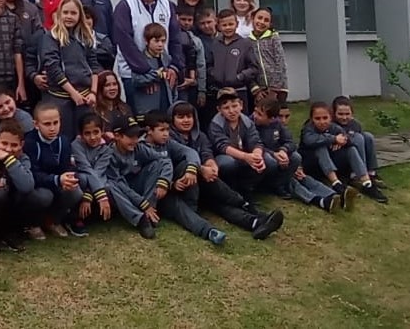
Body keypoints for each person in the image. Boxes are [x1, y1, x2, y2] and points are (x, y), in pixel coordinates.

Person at [168, 102, 285, 240]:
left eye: (189, 116)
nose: (186, 120)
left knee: (221, 204)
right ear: (172, 119)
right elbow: (174, 163)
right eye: (180, 117)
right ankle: (245, 205)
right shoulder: (168, 138)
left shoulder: (200, 136)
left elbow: (206, 153)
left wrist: (212, 166)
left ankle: (254, 222)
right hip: (182, 184)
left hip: (204, 185)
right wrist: (201, 169)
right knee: (190, 168)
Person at [143, 110, 227, 246]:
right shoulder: (140, 148)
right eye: (162, 130)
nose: (166, 134)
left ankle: (239, 205)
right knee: (178, 207)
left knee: (188, 166)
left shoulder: (168, 143)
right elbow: (145, 178)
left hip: (168, 188)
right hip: (152, 194)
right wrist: (171, 185)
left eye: (167, 130)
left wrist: (191, 169)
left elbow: (190, 152)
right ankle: (209, 231)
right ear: (149, 130)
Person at [253, 98, 350, 212]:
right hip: (266, 167)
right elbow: (253, 146)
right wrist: (274, 155)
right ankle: (319, 201)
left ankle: (334, 195)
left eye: (287, 116)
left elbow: (290, 143)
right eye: (280, 116)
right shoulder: (251, 125)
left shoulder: (277, 124)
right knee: (291, 181)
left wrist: (284, 151)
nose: (283, 120)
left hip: (282, 164)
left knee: (300, 171)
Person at [0, 119, 50, 252]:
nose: (8, 149)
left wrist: (9, 160)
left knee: (35, 196)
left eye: (14, 145)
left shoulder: (22, 159)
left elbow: (27, 186)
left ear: (21, 145)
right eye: (4, 143)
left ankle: (12, 232)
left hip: (11, 207)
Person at [112, 0, 185, 107]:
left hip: (164, 74)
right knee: (142, 118)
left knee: (164, 118)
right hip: (135, 76)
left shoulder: (167, 4)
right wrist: (147, 73)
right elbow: (125, 44)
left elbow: (176, 39)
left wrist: (174, 67)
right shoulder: (125, 6)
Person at [299, 102, 387, 203]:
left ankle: (367, 183)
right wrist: (333, 139)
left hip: (331, 162)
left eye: (325, 118)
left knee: (351, 150)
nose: (322, 122)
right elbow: (310, 140)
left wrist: (343, 142)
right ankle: (336, 183)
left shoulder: (334, 127)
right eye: (317, 118)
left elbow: (346, 138)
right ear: (311, 119)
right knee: (321, 147)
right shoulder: (308, 128)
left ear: (331, 118)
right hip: (312, 164)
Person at [39, 0, 101, 139]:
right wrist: (73, 93)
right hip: (61, 97)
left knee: (85, 137)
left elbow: (94, 65)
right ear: (59, 13)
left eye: (73, 13)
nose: (69, 16)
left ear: (79, 15)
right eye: (65, 12)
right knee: (65, 137)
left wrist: (93, 92)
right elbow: (53, 68)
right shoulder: (51, 37)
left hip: (85, 97)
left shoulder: (86, 37)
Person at [104, 114, 172, 240]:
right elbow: (120, 184)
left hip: (135, 186)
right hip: (121, 193)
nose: (135, 140)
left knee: (156, 164)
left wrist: (164, 181)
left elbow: (164, 160)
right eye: (131, 137)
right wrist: (142, 203)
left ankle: (150, 212)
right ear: (117, 136)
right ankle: (140, 219)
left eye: (137, 136)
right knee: (110, 185)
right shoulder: (109, 154)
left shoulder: (139, 147)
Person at [24, 102, 84, 237]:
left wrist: (69, 177)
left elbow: (66, 166)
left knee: (75, 191)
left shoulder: (64, 141)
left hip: (57, 181)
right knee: (44, 196)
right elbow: (32, 174)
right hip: (36, 185)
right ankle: (32, 224)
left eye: (55, 123)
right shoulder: (29, 142)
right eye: (47, 124)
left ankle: (53, 221)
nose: (52, 128)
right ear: (36, 124)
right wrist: (57, 179)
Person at [207, 87, 276, 194]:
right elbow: (222, 146)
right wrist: (246, 157)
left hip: (245, 155)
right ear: (219, 110)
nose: (231, 111)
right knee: (228, 163)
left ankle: (249, 187)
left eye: (235, 106)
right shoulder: (216, 124)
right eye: (226, 108)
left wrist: (256, 156)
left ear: (241, 105)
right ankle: (230, 189)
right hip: (223, 157)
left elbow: (255, 141)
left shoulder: (247, 122)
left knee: (269, 161)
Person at [208, 8, 260, 113]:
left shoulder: (245, 44)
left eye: (231, 24)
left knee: (239, 118)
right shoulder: (214, 44)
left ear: (237, 24)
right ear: (219, 26)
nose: (228, 28)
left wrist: (240, 77)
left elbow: (254, 67)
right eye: (224, 25)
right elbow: (209, 64)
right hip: (219, 91)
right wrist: (214, 74)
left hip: (239, 90)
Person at [70, 112, 113, 232]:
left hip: (95, 184)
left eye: (96, 132)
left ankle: (93, 215)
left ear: (102, 131)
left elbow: (98, 172)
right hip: (80, 181)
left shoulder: (107, 149)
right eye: (87, 133)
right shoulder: (76, 145)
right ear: (81, 134)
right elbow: (85, 168)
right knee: (83, 178)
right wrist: (101, 196)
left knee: (107, 184)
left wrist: (88, 195)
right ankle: (74, 218)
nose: (92, 137)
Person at [332, 96, 386, 189]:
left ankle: (371, 172)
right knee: (358, 138)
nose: (344, 117)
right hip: (342, 157)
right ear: (333, 113)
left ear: (352, 113)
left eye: (347, 114)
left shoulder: (355, 124)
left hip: (354, 152)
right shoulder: (332, 126)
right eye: (340, 114)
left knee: (368, 137)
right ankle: (358, 175)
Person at [131, 23, 176, 117]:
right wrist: (156, 75)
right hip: (148, 106)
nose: (160, 44)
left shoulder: (166, 58)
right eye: (156, 41)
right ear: (146, 41)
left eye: (163, 41)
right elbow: (136, 80)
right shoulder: (140, 60)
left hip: (166, 101)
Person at [250, 7, 288, 103]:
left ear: (270, 24)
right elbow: (248, 67)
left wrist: (274, 88)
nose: (262, 22)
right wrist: (256, 89)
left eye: (266, 20)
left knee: (277, 112)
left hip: (278, 88)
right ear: (252, 18)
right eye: (259, 18)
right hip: (260, 90)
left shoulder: (273, 38)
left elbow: (280, 63)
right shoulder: (247, 41)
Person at [175, 6, 207, 108]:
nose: (186, 23)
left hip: (192, 84)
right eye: (183, 19)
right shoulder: (169, 38)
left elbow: (201, 65)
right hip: (175, 83)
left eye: (189, 20)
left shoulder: (196, 41)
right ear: (176, 18)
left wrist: (202, 90)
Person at [93, 72, 131, 142]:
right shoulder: (94, 111)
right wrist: (103, 135)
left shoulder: (124, 108)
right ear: (100, 87)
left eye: (114, 84)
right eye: (107, 85)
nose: (112, 88)